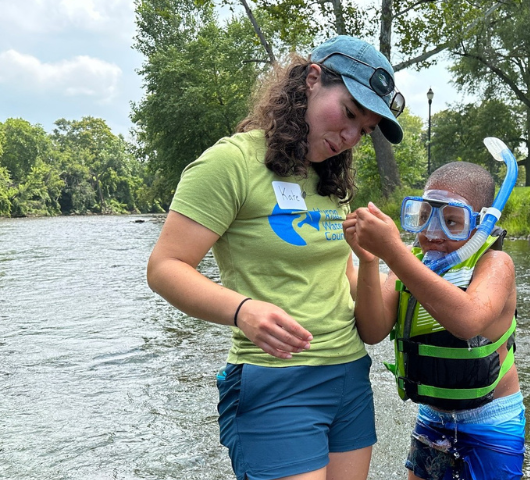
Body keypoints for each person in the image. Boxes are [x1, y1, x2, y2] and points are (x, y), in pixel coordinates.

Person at [146, 34, 405, 480]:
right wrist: (242, 310)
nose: (348, 137)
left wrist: (370, 261)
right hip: (275, 381)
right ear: (312, 79)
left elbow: (371, 328)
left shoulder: (329, 184)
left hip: (349, 377)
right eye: (347, 114)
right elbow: (165, 268)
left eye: (362, 131)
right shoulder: (230, 163)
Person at [343, 161, 526, 480]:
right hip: (433, 419)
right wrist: (370, 260)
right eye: (424, 217)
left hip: (491, 422)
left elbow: (468, 320)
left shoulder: (496, 263)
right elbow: (373, 331)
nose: (432, 233)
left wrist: (393, 252)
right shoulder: (413, 263)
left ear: (480, 225)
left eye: (452, 222)